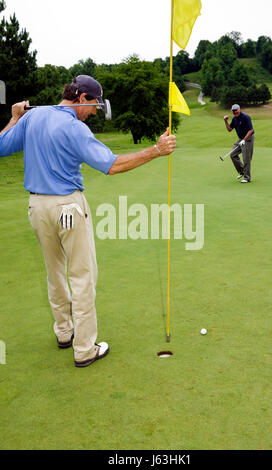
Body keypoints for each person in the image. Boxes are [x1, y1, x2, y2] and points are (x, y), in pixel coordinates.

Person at [0, 75, 176, 368]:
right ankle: (84, 349)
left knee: (54, 273)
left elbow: (1, 145)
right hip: (68, 205)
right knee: (82, 277)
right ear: (82, 98)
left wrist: (14, 119)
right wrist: (156, 151)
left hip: (36, 207)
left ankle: (64, 333)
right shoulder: (75, 128)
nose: (94, 112)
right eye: (94, 105)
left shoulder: (33, 118)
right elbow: (113, 165)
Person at [224, 104, 255, 183]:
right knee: (233, 154)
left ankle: (247, 177)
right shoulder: (234, 119)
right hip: (241, 139)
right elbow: (229, 129)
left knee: (246, 159)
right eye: (233, 111)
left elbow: (251, 130)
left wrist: (244, 140)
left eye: (236, 110)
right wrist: (226, 121)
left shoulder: (245, 117)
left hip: (248, 139)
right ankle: (242, 171)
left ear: (239, 109)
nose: (235, 112)